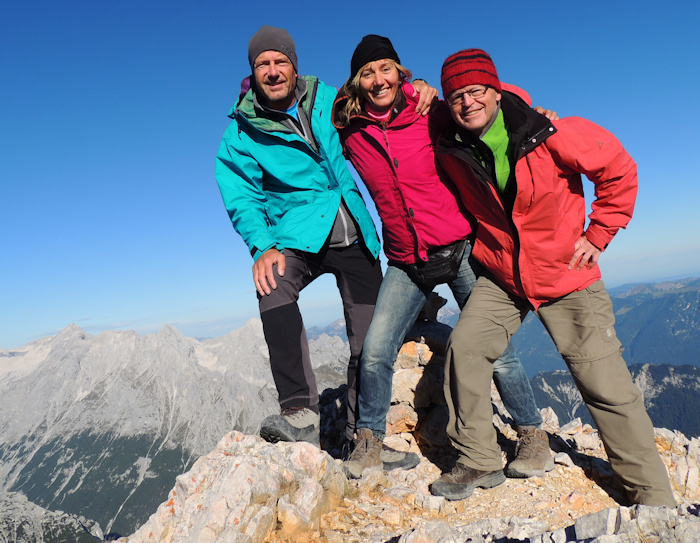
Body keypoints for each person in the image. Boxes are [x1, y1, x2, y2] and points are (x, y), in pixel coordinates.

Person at [430, 48, 675, 507]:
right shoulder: (451, 145)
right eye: (456, 95)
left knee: (606, 387)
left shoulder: (545, 131)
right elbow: (397, 102)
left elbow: (619, 167)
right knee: (466, 348)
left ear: (496, 90)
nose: (467, 102)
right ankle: (479, 457)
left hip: (567, 275)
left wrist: (598, 234)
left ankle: (652, 496)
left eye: (477, 90)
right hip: (504, 274)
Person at [332, 35, 552, 480]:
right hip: (405, 261)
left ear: (400, 72)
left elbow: (481, 98)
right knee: (374, 351)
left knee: (496, 348)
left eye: (385, 69)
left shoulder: (427, 109)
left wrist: (533, 111)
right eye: (367, 73)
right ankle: (369, 442)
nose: (378, 80)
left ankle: (532, 436)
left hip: (460, 248)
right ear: (357, 82)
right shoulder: (349, 131)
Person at [215, 25, 383, 446]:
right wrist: (262, 245)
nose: (272, 71)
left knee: (369, 341)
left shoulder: (328, 99)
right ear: (253, 73)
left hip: (355, 235)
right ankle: (300, 411)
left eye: (280, 61)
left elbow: (381, 91)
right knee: (272, 286)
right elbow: (242, 194)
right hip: (299, 238)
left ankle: (362, 434)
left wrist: (418, 87)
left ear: (294, 66)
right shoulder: (241, 132)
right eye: (262, 64)